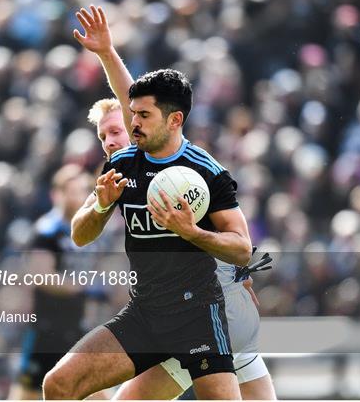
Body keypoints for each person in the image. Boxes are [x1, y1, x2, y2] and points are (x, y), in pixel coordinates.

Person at [42, 10, 259, 401]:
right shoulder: (123, 165)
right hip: (145, 314)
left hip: (198, 316)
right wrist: (101, 206)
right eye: (133, 114)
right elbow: (79, 233)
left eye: (143, 115)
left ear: (174, 120)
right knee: (58, 384)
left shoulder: (205, 172)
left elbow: (242, 247)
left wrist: (191, 232)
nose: (133, 123)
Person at [85, 62, 276, 399]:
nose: (111, 141)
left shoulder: (185, 167)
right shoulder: (134, 165)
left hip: (210, 315)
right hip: (201, 314)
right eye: (103, 136)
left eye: (116, 132)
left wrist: (106, 52)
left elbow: (236, 244)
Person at [9, 164, 95, 400]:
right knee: (28, 393)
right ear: (57, 194)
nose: (79, 197)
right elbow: (40, 274)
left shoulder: (86, 229)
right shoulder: (47, 231)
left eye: (83, 190)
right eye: (73, 191)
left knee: (94, 390)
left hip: (75, 326)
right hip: (49, 328)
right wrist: (80, 286)